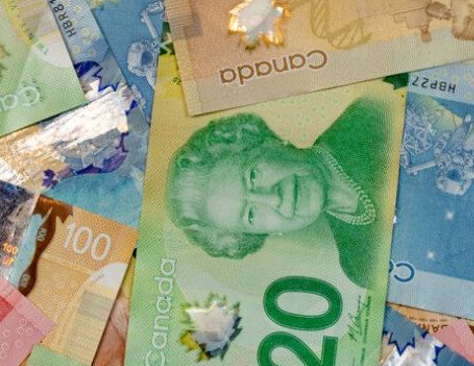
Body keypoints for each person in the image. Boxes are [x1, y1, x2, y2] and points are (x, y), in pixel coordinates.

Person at [166, 95, 395, 289]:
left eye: (252, 176)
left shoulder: (374, 117)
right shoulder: (361, 266)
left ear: (268, 143)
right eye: (251, 215)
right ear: (267, 233)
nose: (274, 198)